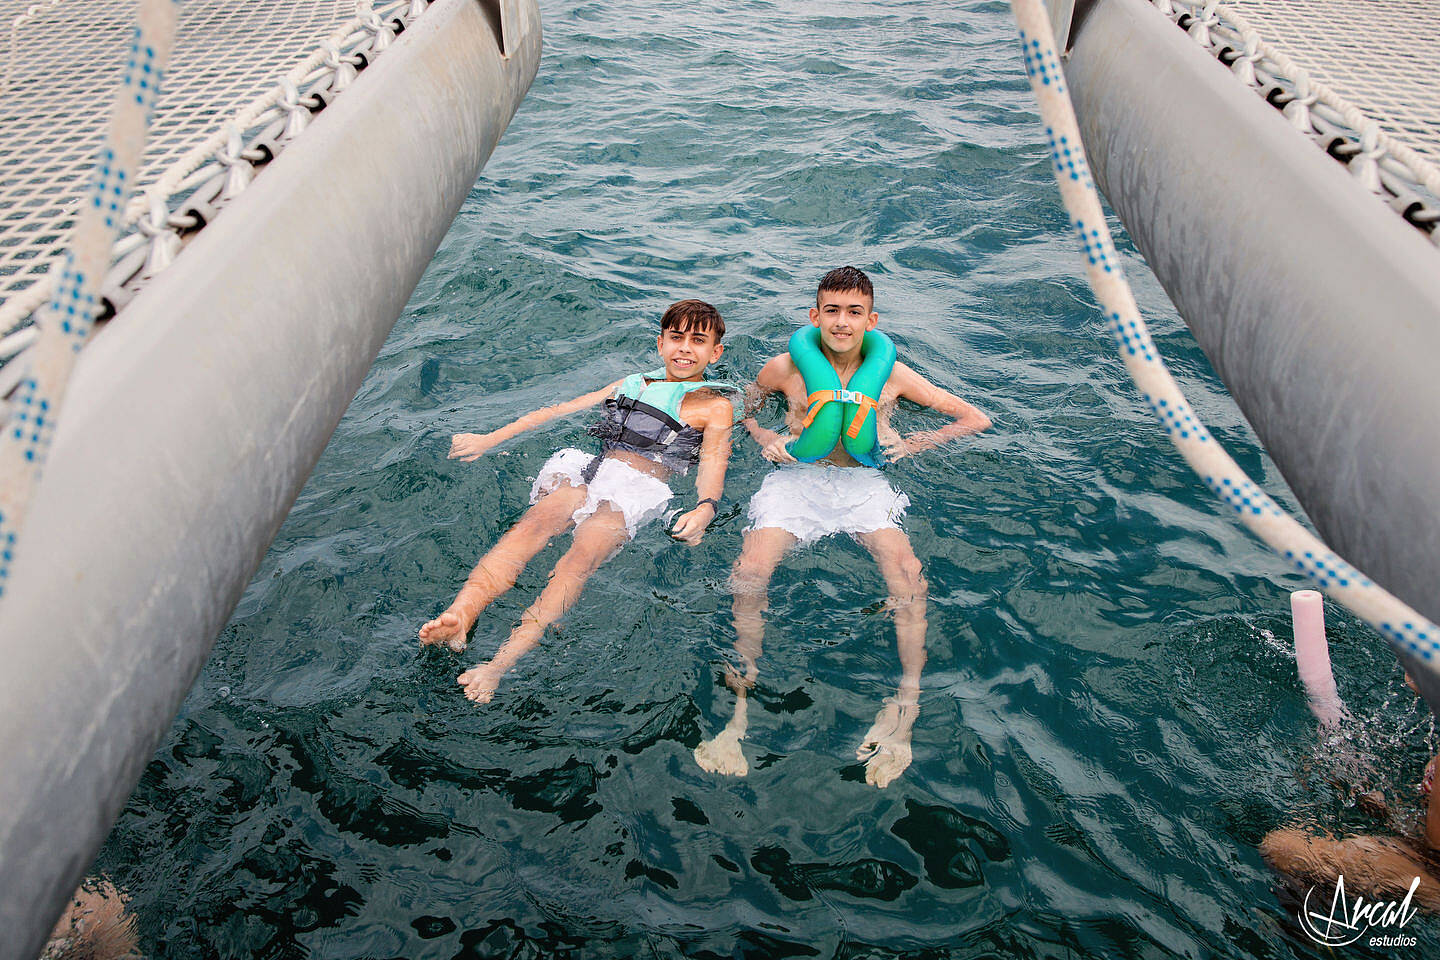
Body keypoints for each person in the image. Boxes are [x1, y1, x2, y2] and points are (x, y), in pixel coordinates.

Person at [693, 267, 991, 787]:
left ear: (871, 320)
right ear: (814, 316)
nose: (842, 321)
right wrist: (766, 436)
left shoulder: (892, 374)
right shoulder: (785, 368)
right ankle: (738, 712)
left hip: (862, 484)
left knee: (908, 576)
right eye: (831, 310)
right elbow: (746, 411)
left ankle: (906, 709)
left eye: (854, 312)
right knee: (749, 573)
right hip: (797, 479)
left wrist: (915, 443)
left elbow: (973, 418)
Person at [419, 299, 737, 703]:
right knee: (529, 528)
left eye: (698, 340)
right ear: (660, 344)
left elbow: (714, 460)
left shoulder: (715, 406)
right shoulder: (632, 383)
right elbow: (555, 411)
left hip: (635, 490)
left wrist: (705, 507)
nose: (685, 349)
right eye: (676, 338)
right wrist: (490, 439)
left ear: (715, 352)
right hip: (590, 471)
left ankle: (499, 664)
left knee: (578, 560)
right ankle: (462, 613)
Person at [1260, 672, 1440, 911]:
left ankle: (1312, 929)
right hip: (1425, 845)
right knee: (1356, 783)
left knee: (1283, 848)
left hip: (1434, 874)